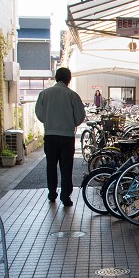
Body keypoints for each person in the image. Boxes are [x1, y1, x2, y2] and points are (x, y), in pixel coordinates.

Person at [34, 67, 86, 206]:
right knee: (66, 168)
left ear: (56, 78)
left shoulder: (44, 94)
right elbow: (81, 115)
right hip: (67, 137)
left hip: (50, 136)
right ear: (69, 79)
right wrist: (72, 123)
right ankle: (65, 197)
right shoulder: (72, 95)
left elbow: (39, 113)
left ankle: (52, 193)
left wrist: (48, 121)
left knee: (51, 166)